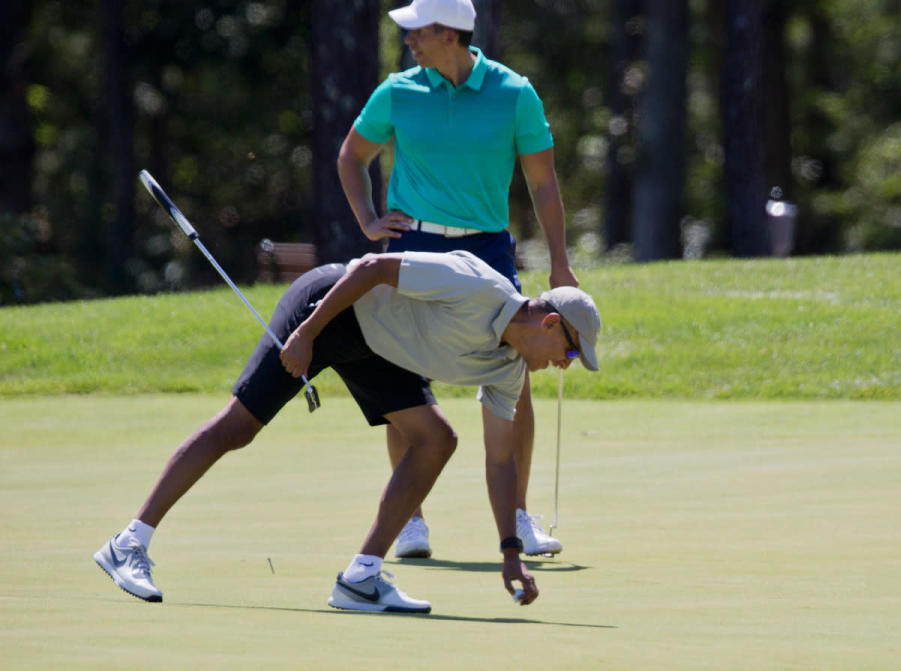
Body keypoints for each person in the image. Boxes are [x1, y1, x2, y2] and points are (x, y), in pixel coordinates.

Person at [94, 250, 601, 613]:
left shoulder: (507, 370)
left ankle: (361, 577)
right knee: (238, 427)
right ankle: (128, 543)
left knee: (436, 439)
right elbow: (371, 268)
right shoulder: (477, 286)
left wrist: (509, 554)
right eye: (572, 352)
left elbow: (500, 461)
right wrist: (308, 332)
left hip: (378, 349)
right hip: (330, 308)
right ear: (551, 323)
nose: (565, 365)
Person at [338, 0, 578, 560]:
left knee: (512, 380)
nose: (408, 41)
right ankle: (410, 519)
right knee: (403, 376)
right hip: (414, 240)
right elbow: (352, 156)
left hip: (487, 247)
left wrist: (560, 262)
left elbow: (542, 181)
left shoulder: (514, 92)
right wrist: (370, 221)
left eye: (417, 32)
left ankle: (517, 516)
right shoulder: (397, 91)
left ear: (449, 33)